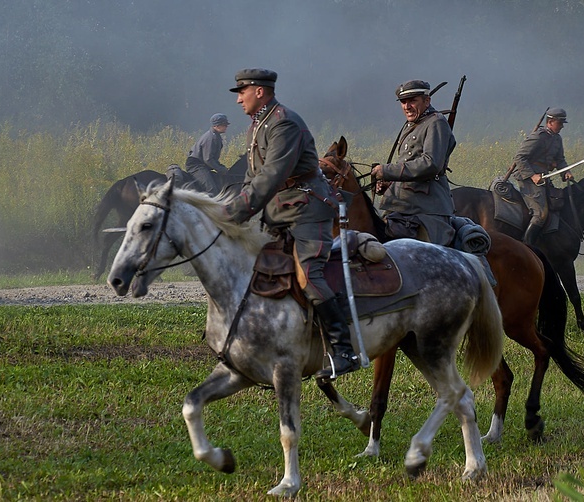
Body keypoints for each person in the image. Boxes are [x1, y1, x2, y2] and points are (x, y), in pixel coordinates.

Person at [222, 68, 359, 380]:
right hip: (278, 211)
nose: (238, 98)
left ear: (260, 91)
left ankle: (343, 349)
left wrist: (236, 212)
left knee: (308, 274)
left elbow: (272, 176)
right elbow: (251, 178)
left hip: (307, 210)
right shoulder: (258, 125)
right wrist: (233, 207)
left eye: (242, 91)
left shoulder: (284, 122)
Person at [370, 80, 457, 246]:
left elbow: (431, 164)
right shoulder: (413, 124)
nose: (407, 106)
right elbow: (408, 164)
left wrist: (388, 171)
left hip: (426, 207)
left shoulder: (435, 122)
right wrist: (390, 183)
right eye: (403, 102)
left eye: (412, 100)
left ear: (427, 101)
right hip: (404, 204)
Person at [512, 107, 573, 245]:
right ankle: (527, 245)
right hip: (527, 179)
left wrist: (565, 172)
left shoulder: (557, 139)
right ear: (550, 122)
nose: (562, 126)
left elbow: (560, 159)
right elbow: (519, 157)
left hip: (544, 179)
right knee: (541, 214)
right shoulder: (538, 137)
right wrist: (532, 175)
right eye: (560, 123)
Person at [185, 113, 231, 196]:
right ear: (217, 126)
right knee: (212, 190)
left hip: (203, 165)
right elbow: (208, 159)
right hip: (196, 166)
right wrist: (221, 169)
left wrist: (222, 167)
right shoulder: (211, 138)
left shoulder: (216, 136)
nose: (226, 126)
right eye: (224, 125)